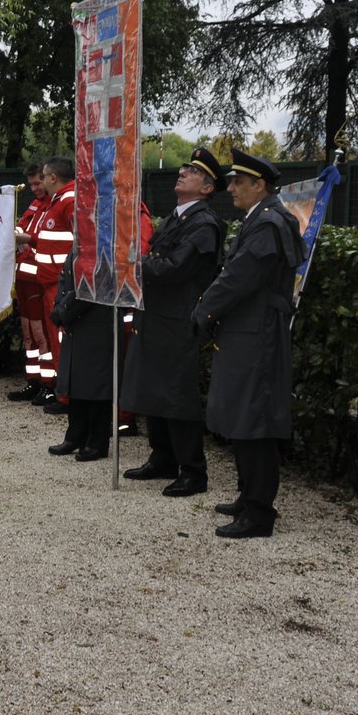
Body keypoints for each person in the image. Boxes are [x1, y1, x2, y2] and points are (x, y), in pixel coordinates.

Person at [195, 147, 304, 539]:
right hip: (248, 330)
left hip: (257, 334)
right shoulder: (261, 219)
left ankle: (258, 514)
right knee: (243, 416)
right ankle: (248, 497)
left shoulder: (269, 223)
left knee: (254, 419)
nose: (231, 189)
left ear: (260, 185)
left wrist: (203, 311)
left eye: (238, 182)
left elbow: (239, 277)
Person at [120, 148, 228, 497]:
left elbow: (173, 269)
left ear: (207, 188)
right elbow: (158, 257)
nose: (182, 172)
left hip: (179, 320)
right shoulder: (175, 219)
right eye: (183, 168)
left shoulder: (204, 224)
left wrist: (135, 263)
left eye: (192, 171)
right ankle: (162, 457)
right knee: (154, 390)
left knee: (177, 395)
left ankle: (193, 471)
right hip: (155, 315)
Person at [47, 253, 123, 461]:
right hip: (75, 319)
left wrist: (64, 311)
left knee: (96, 383)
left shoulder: (105, 242)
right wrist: (60, 304)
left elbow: (93, 282)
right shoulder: (80, 239)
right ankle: (76, 435)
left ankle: (97, 442)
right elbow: (65, 277)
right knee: (77, 379)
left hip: (96, 318)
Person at [32, 156, 76, 415]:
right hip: (52, 282)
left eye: (44, 176)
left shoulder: (68, 201)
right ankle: (64, 393)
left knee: (61, 340)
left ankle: (67, 396)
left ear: (52, 178)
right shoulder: (58, 201)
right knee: (56, 339)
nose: (40, 181)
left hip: (62, 284)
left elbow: (81, 240)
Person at [10, 161, 53, 402]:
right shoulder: (35, 205)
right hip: (23, 278)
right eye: (31, 184)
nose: (35, 187)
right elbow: (21, 228)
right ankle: (33, 380)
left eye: (38, 182)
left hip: (39, 279)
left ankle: (49, 383)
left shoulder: (53, 206)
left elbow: (44, 239)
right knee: (28, 332)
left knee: (41, 332)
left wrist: (27, 238)